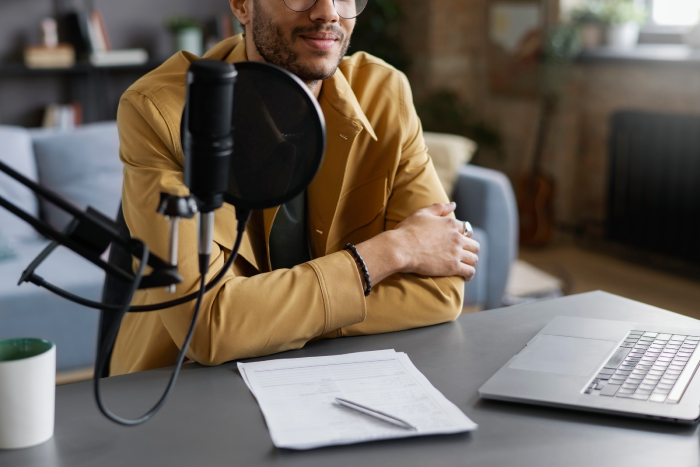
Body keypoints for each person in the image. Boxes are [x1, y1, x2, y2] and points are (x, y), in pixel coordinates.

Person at [110, 0, 480, 376]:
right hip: (179, 386)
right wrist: (394, 251)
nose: (329, 12)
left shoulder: (385, 93)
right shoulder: (160, 110)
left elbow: (440, 292)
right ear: (241, 5)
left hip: (329, 380)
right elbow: (206, 327)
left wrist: (265, 325)